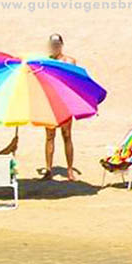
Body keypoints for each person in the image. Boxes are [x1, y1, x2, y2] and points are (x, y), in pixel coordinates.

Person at [42, 33, 79, 180]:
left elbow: (75, 81)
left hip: (65, 103)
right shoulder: (46, 62)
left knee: (67, 135)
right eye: (53, 45)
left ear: (61, 45)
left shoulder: (69, 61)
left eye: (57, 44)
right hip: (51, 102)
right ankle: (48, 169)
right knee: (50, 136)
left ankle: (70, 169)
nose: (55, 47)